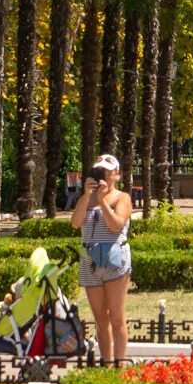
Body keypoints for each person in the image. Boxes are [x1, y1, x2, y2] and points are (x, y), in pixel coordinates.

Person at [71, 153, 133, 362]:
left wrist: (102, 202)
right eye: (99, 171)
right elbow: (76, 223)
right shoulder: (87, 199)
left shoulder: (122, 197)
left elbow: (116, 224)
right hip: (90, 260)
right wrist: (86, 196)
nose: (103, 176)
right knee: (100, 318)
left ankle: (120, 363)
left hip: (114, 258)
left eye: (108, 172)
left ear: (117, 174)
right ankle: (106, 362)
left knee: (116, 316)